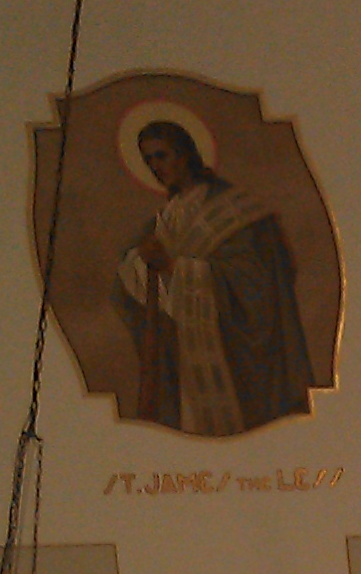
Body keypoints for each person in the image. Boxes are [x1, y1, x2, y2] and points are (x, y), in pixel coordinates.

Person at [113, 121, 315, 435]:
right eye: (148, 160)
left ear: (184, 154)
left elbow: (258, 283)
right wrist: (140, 264)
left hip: (234, 360)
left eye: (162, 156)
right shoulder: (167, 217)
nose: (155, 167)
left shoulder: (236, 210)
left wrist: (174, 267)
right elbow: (130, 288)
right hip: (184, 364)